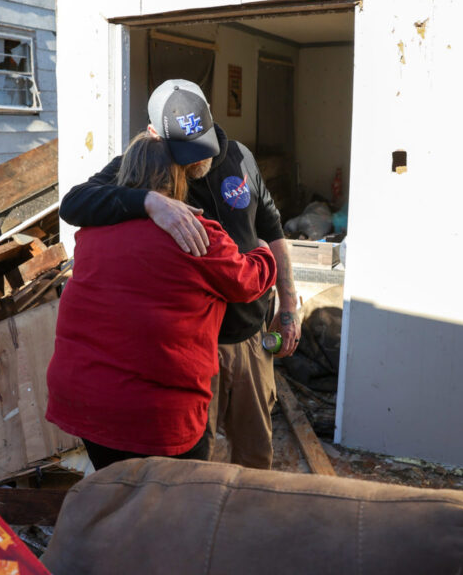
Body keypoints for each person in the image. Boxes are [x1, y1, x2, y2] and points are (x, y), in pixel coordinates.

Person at [59, 79, 302, 469]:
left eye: (202, 143)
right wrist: (149, 201)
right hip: (188, 353)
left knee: (255, 453)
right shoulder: (143, 165)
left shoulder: (240, 156)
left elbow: (272, 230)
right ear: (155, 135)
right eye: (185, 153)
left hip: (249, 338)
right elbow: (74, 203)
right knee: (190, 465)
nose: (197, 161)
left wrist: (288, 304)